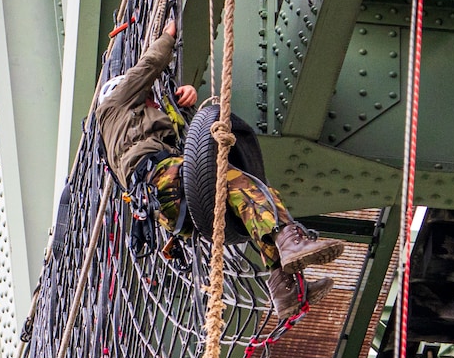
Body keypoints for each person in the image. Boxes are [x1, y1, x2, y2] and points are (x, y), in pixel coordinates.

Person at [94, 18, 344, 318]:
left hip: (166, 205)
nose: (150, 102)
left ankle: (283, 287)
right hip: (165, 178)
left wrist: (182, 102)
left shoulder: (121, 140)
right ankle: (289, 242)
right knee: (242, 185)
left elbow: (182, 137)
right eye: (147, 99)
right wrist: (168, 35)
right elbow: (148, 67)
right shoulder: (111, 105)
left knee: (250, 199)